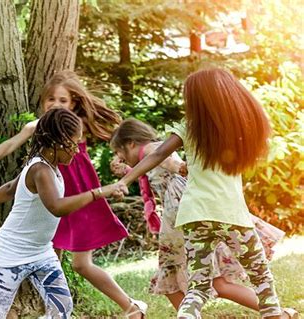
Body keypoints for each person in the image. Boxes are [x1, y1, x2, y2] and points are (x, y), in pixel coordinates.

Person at [118, 68, 296, 319]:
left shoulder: (188, 129)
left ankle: (187, 316)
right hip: (231, 215)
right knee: (260, 275)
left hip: (193, 217)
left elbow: (158, 154)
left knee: (199, 285)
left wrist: (125, 179)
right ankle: (275, 316)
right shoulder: (237, 129)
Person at [0, 71, 146, 317]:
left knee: (80, 263)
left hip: (78, 197)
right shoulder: (42, 135)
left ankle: (130, 306)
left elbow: (119, 135)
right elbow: (13, 145)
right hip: (50, 201)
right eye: (50, 100)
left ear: (74, 103)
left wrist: (121, 159)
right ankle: (59, 309)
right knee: (48, 255)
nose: (55, 105)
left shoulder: (75, 126)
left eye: (62, 100)